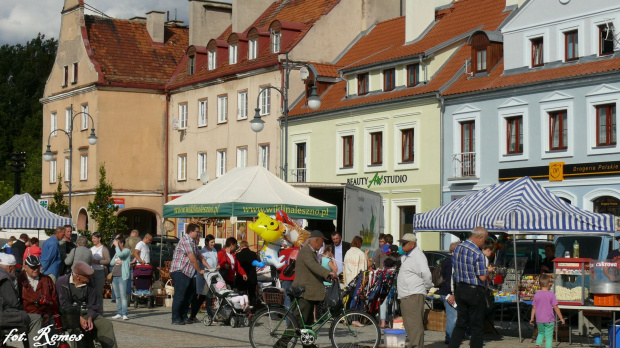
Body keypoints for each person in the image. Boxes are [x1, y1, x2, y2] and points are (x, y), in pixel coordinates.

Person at [276, 230, 336, 348]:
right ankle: (281, 344)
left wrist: (328, 277)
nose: (322, 245)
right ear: (316, 240)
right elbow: (313, 266)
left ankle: (308, 345)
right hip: (302, 292)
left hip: (307, 292)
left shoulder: (312, 252)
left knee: (307, 322)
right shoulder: (306, 252)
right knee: (298, 321)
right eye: (322, 241)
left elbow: (314, 269)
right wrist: (329, 273)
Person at [57, 261, 118, 347]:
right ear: (78, 277)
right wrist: (79, 318)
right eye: (87, 276)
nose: (90, 278)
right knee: (76, 329)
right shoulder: (62, 282)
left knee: (106, 324)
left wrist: (90, 318)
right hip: (70, 315)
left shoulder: (90, 282)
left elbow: (93, 304)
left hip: (87, 313)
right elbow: (64, 305)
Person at [448, 227, 490, 348]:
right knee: (477, 326)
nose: (484, 242)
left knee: (460, 324)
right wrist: (488, 271)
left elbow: (455, 269)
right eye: (485, 239)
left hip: (460, 288)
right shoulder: (478, 253)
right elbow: (482, 277)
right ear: (480, 237)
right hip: (474, 291)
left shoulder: (457, 248)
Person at [397, 233, 432, 348]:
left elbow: (426, 274)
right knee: (409, 324)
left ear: (412, 244)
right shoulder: (407, 256)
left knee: (415, 325)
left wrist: (426, 288)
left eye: (404, 243)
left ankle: (416, 345)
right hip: (406, 294)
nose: (401, 245)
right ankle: (413, 344)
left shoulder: (418, 255)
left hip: (413, 294)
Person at [169, 223, 210, 325]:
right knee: (180, 295)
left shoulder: (192, 242)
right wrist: (200, 271)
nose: (198, 234)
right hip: (180, 271)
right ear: (191, 231)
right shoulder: (186, 240)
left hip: (189, 273)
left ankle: (183, 316)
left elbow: (199, 256)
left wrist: (210, 268)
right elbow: (192, 258)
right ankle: (176, 318)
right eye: (197, 232)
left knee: (189, 295)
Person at [17, 255, 59, 346]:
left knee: (53, 339)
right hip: (27, 317)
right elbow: (16, 303)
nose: (35, 269)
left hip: (46, 315)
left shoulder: (47, 280)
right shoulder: (19, 280)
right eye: (32, 267)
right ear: (25, 267)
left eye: (37, 267)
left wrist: (48, 314)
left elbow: (54, 299)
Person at [0, 253, 37, 347]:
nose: (15, 270)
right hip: (2, 315)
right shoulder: (4, 278)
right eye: (14, 268)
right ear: (9, 267)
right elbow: (13, 303)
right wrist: (23, 309)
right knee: (34, 318)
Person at [530, 274, 565, 348]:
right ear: (549, 284)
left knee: (541, 333)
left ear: (539, 284)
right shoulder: (551, 295)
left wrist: (532, 318)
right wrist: (561, 318)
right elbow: (555, 307)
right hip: (549, 319)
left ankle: (538, 345)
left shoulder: (536, 295)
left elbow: (534, 307)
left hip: (539, 320)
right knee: (549, 337)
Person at [189, 234, 218, 322]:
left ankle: (192, 315)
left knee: (203, 297)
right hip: (204, 276)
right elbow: (201, 263)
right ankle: (211, 316)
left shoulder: (214, 250)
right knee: (207, 295)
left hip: (212, 275)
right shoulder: (203, 252)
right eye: (211, 242)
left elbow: (215, 262)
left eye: (214, 242)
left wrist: (217, 267)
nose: (213, 244)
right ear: (206, 242)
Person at [436, 241, 460, 344]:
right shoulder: (452, 262)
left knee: (453, 316)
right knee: (452, 316)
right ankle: (450, 338)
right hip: (448, 292)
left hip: (445, 291)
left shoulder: (446, 260)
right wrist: (452, 293)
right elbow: (450, 280)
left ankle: (451, 337)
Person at [110, 234, 131, 320]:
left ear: (121, 243)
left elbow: (121, 254)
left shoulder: (126, 251)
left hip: (122, 275)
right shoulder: (117, 252)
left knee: (123, 296)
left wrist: (116, 247)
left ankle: (124, 313)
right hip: (115, 276)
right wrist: (116, 262)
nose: (116, 245)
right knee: (117, 295)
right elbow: (111, 262)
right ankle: (119, 312)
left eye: (118, 243)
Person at [90, 232, 110, 315]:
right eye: (92, 238)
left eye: (94, 238)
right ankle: (92, 310)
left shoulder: (103, 249)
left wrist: (97, 261)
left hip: (100, 271)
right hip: (91, 272)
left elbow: (108, 260)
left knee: (98, 292)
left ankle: (100, 312)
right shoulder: (91, 249)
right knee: (91, 292)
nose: (93, 240)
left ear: (99, 238)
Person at [235, 240, 260, 306]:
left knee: (242, 294)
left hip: (241, 277)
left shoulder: (238, 255)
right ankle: (253, 309)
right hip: (252, 277)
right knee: (252, 294)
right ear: (247, 246)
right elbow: (257, 264)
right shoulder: (254, 254)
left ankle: (243, 309)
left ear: (240, 246)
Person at [278, 245, 299, 310]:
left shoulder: (284, 251)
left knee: (287, 298)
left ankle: (289, 319)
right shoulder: (301, 251)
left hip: (285, 277)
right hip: (297, 277)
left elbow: (279, 267)